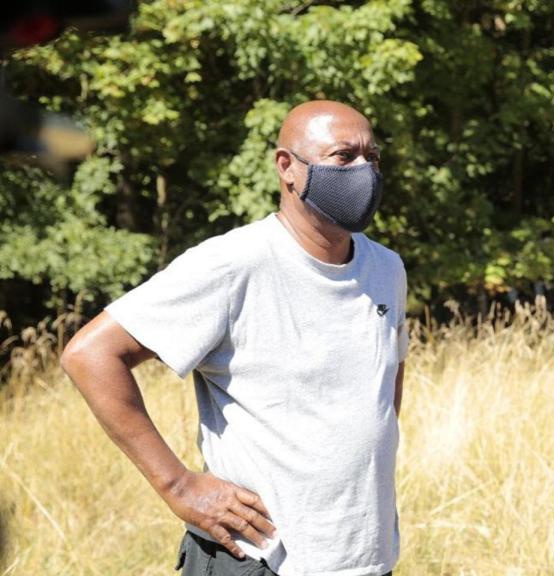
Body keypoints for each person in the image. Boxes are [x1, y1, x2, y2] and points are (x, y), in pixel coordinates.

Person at [61, 101, 407, 576]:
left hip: (365, 558)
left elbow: (384, 382)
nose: (364, 172)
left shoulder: (386, 267)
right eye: (344, 157)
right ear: (288, 168)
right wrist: (178, 486)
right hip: (261, 559)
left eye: (373, 157)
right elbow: (90, 354)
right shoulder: (234, 264)